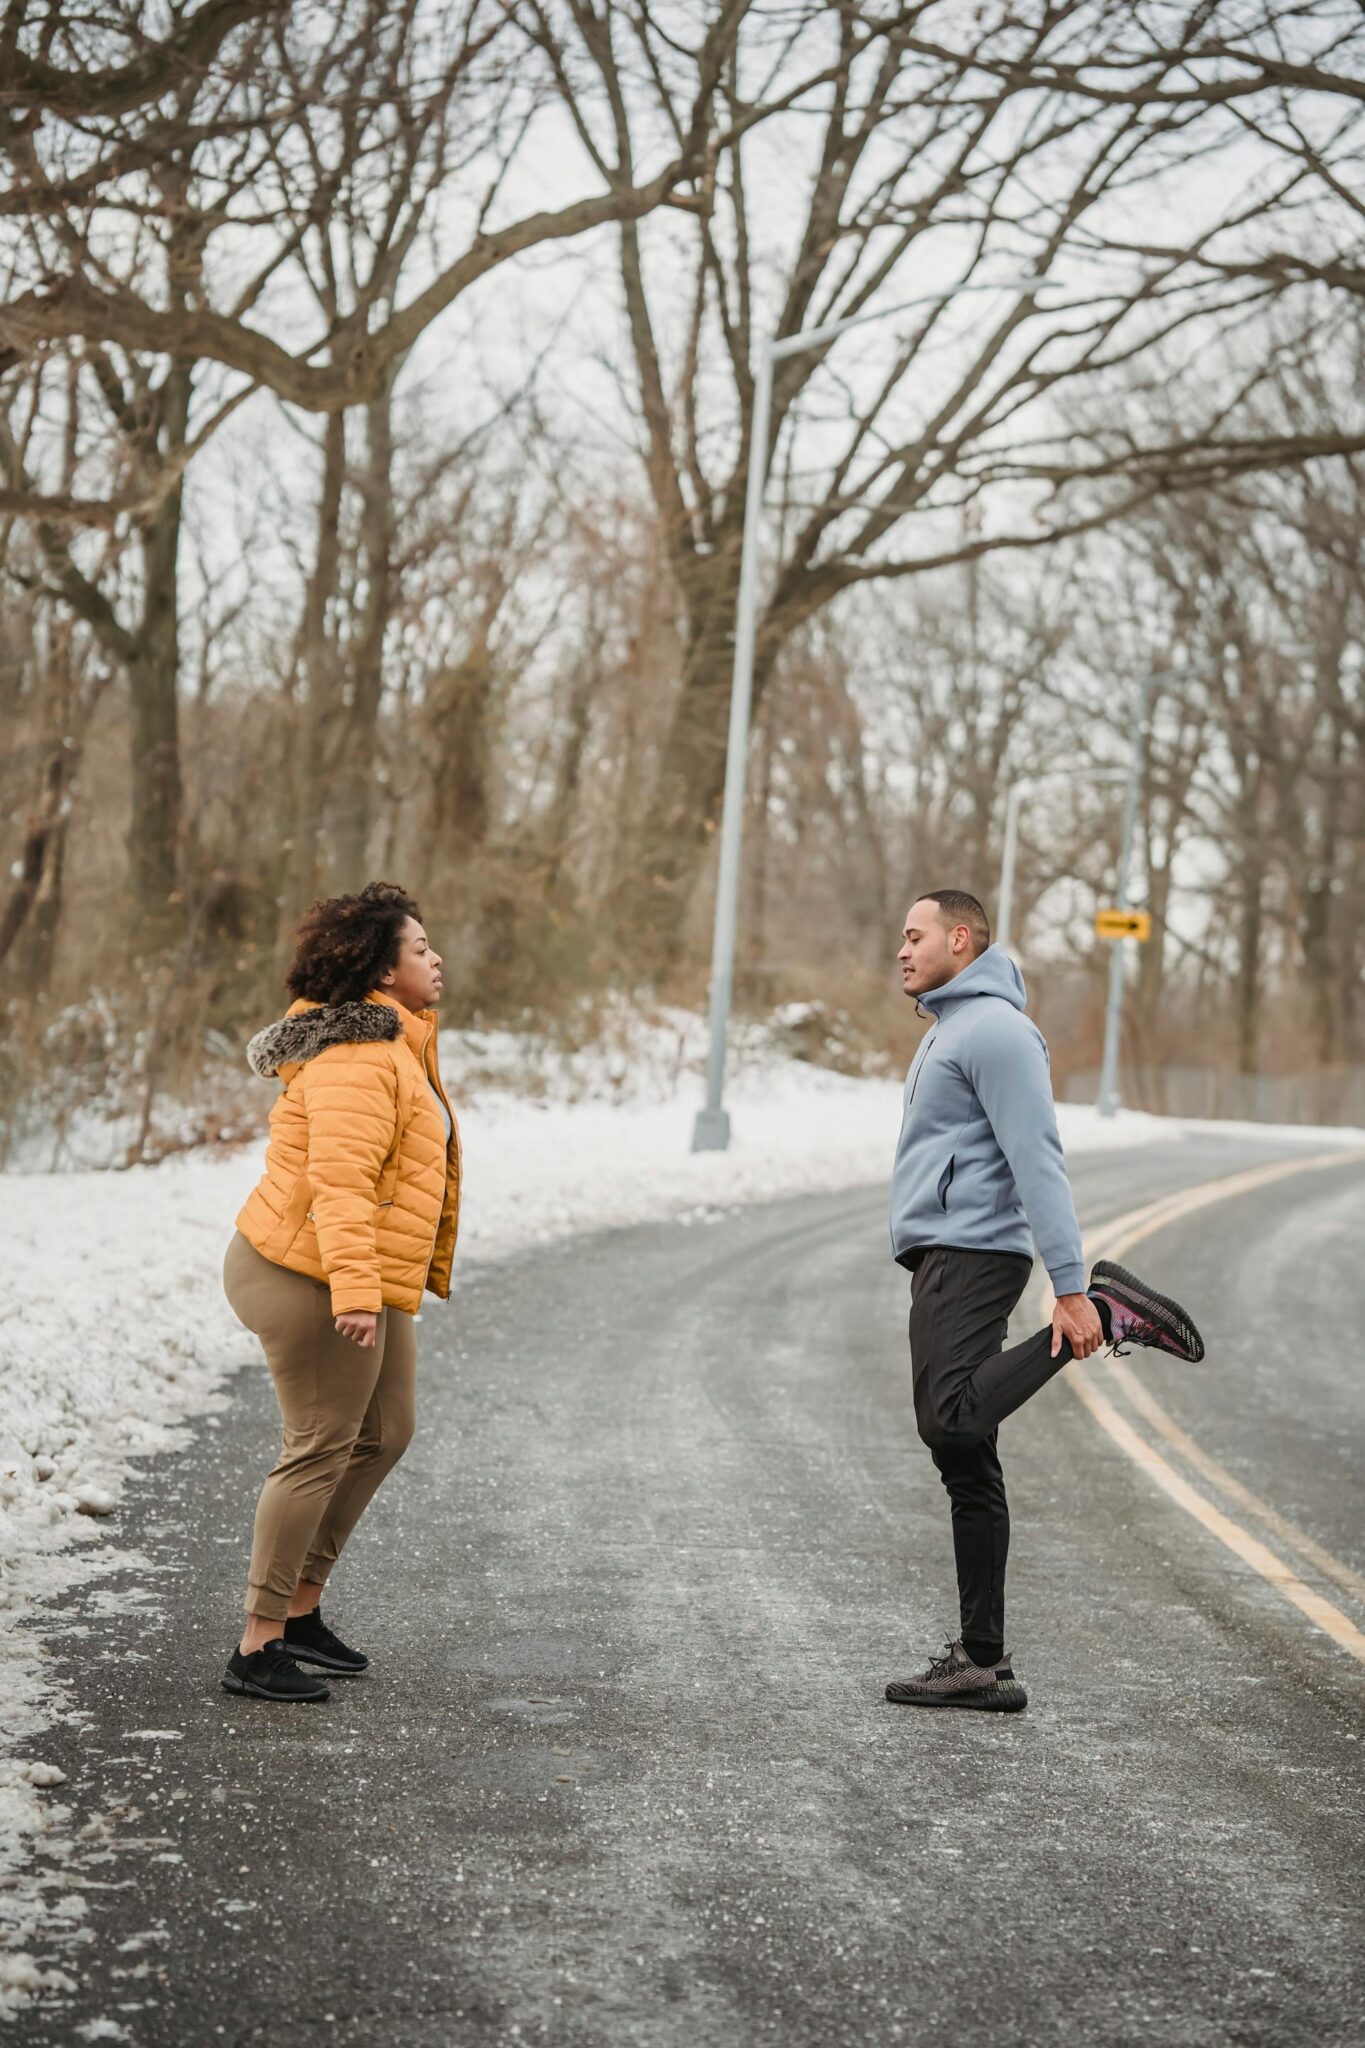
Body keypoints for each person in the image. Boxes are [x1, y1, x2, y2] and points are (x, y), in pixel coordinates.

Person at [884, 888, 1203, 1713]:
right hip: (946, 1252)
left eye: (915, 936)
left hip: (971, 1253)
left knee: (951, 1420)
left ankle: (1108, 1309)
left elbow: (1037, 1157)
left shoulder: (994, 1031)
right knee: (966, 1459)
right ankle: (981, 1660)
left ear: (961, 938)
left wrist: (1068, 1287)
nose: (902, 950)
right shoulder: (953, 1027)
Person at [220, 882, 461, 1702]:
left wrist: (373, 1284)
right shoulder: (360, 1057)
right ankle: (257, 1644)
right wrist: (356, 1291)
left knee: (385, 1431)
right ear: (383, 971)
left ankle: (299, 1607)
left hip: (355, 1272)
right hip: (305, 1273)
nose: (436, 959)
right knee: (321, 1443)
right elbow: (341, 1182)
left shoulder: (399, 1041)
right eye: (420, 949)